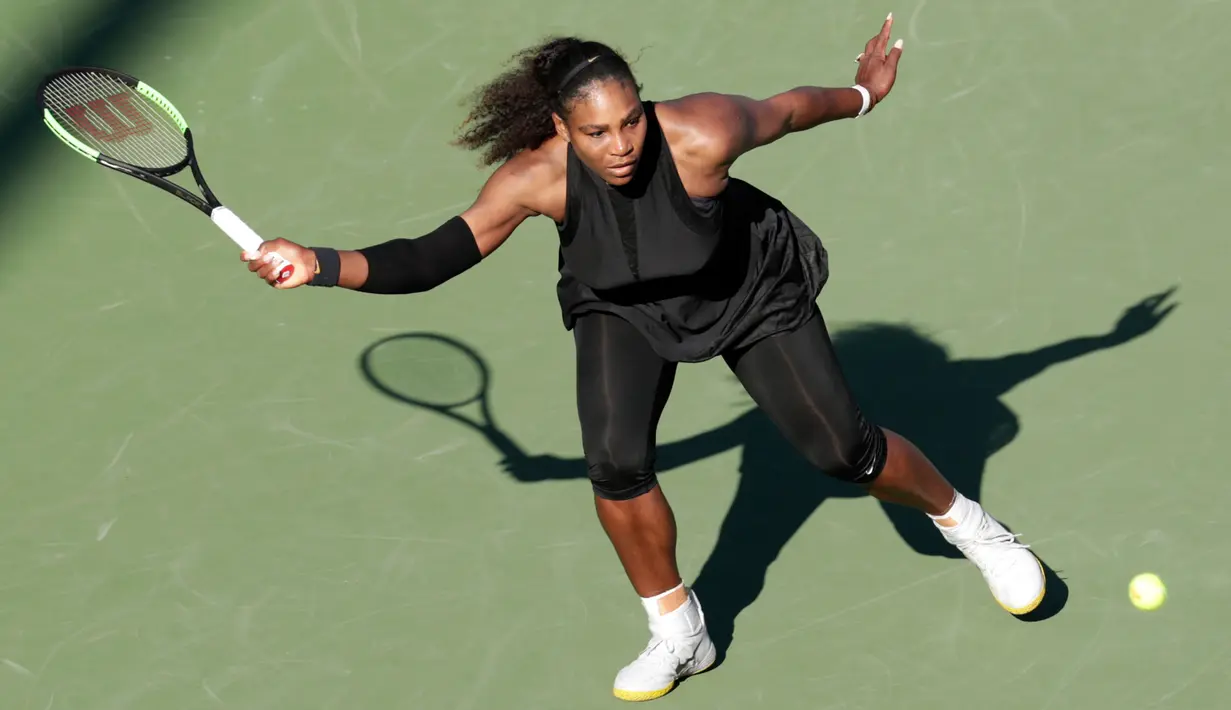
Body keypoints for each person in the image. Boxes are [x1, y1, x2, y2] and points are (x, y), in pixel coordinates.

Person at [244, 14, 1045, 702]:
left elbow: (793, 109)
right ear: (559, 129)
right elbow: (431, 258)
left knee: (844, 453)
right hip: (620, 305)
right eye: (596, 131)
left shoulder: (699, 132)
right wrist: (318, 261)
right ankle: (679, 631)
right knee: (616, 463)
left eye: (629, 120)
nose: (622, 144)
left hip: (746, 287)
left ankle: (973, 528)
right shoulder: (532, 181)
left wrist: (865, 91)